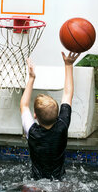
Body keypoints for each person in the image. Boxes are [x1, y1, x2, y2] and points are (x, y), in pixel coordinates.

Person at [19, 52, 80, 181]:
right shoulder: (62, 126)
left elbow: (24, 105)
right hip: (59, 184)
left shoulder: (32, 131)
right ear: (58, 115)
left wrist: (31, 78)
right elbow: (68, 94)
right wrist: (68, 65)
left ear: (35, 115)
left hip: (36, 184)